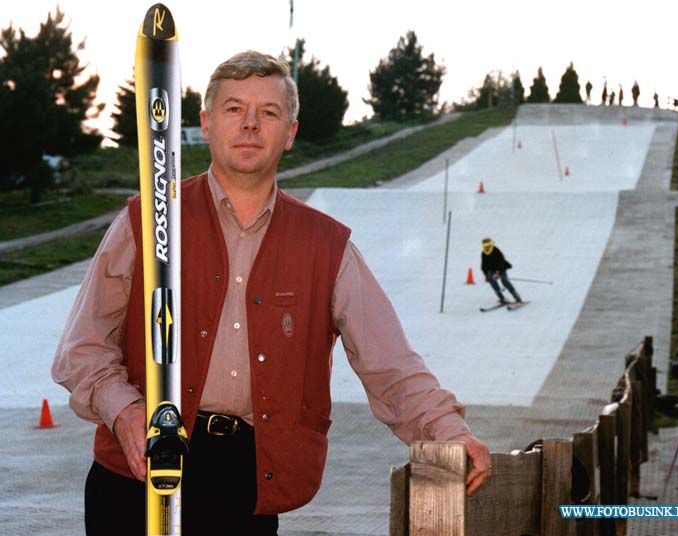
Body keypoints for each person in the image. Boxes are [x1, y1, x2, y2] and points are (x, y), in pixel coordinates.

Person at [52, 51, 491, 536]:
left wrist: (451, 433)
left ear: (290, 132)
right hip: (137, 473)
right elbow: (82, 349)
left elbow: (391, 364)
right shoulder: (145, 221)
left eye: (269, 112)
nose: (250, 125)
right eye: (234, 108)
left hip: (246, 484)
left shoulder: (328, 247)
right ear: (206, 122)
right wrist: (127, 413)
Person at [481, 238, 522, 305]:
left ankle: (518, 299)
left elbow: (501, 262)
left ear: (491, 244)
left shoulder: (496, 251)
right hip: (491, 269)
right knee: (491, 280)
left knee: (504, 281)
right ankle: (502, 299)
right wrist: (486, 275)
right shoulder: (483, 253)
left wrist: (497, 272)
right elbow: (484, 266)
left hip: (501, 268)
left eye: (488, 245)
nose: (486, 247)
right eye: (484, 245)